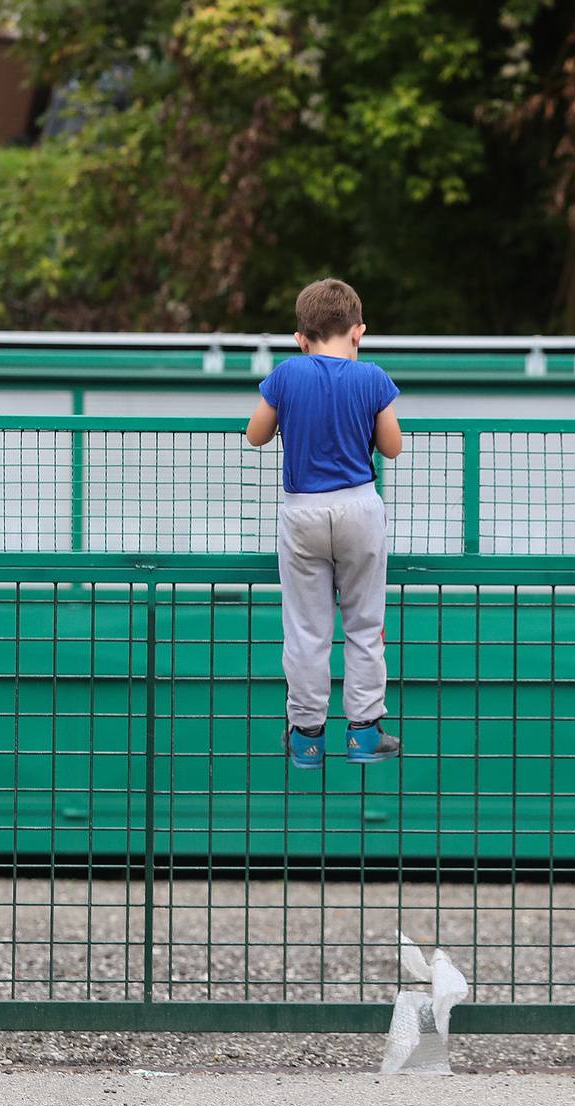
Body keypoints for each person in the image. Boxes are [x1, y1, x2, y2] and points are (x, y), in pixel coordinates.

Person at [245, 278, 404, 769]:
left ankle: (307, 735)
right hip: (359, 506)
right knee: (363, 624)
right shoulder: (372, 377)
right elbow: (393, 446)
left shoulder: (288, 374)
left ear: (301, 337)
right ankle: (364, 730)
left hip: (302, 512)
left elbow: (256, 435)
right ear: (358, 332)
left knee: (307, 628)